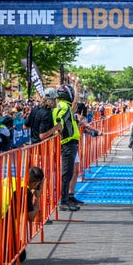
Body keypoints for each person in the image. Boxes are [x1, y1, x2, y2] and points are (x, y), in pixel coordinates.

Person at [0, 166, 44, 265]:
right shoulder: (25, 192)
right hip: (1, 225)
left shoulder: (9, 180)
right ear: (35, 183)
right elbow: (31, 217)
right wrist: (37, 198)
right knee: (21, 255)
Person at [52, 84, 81, 212]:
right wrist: (60, 130)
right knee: (66, 173)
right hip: (68, 142)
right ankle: (63, 201)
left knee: (68, 172)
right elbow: (60, 121)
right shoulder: (64, 107)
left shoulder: (65, 106)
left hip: (70, 142)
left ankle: (67, 199)